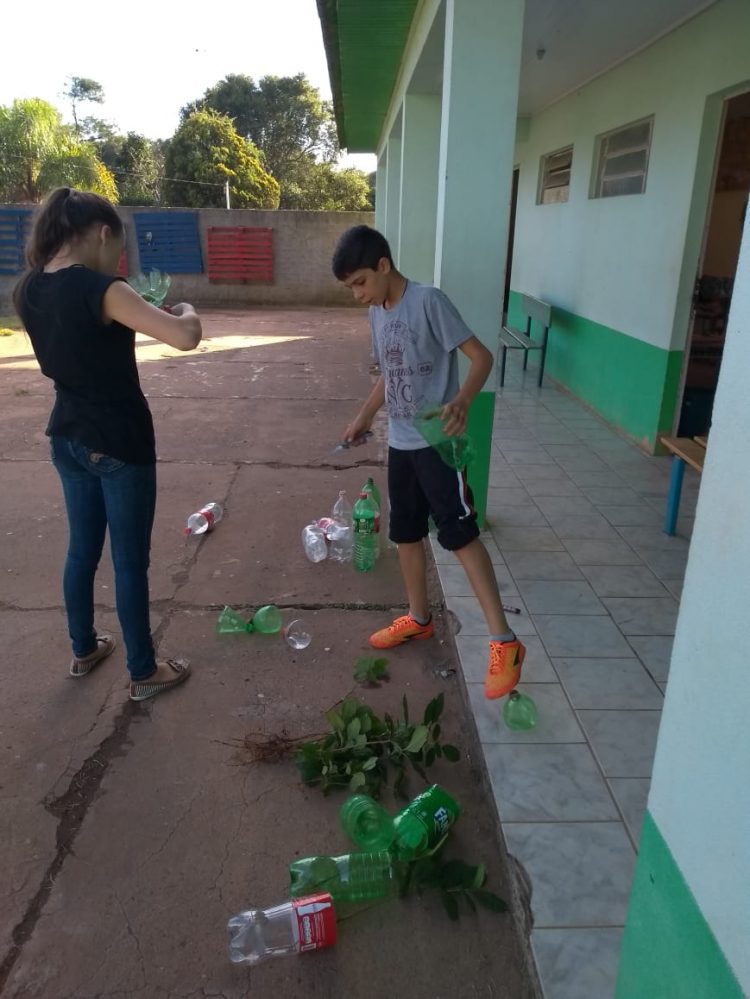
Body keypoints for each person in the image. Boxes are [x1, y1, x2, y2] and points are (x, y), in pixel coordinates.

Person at [13, 187, 202, 702]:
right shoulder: (104, 289)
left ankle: (84, 649)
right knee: (129, 562)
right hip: (119, 441)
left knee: (81, 550)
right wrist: (186, 309)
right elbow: (184, 337)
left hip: (67, 436)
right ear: (101, 234)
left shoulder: (28, 289)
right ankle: (144, 670)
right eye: (117, 247)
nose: (117, 259)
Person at [333, 224, 524, 699]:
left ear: (383, 265)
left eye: (360, 282)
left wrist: (462, 401)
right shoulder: (377, 314)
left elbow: (481, 357)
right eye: (350, 288)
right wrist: (364, 416)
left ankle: (505, 641)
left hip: (438, 443)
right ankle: (418, 618)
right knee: (405, 533)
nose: (358, 295)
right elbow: (388, 373)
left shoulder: (428, 301)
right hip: (400, 443)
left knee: (459, 534)